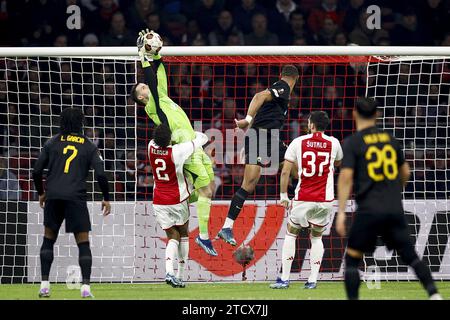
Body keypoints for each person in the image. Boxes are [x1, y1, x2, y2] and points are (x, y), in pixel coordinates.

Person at [335, 97, 442, 300]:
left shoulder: (353, 143)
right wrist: (394, 191)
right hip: (394, 208)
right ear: (377, 115)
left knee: (352, 260)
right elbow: (405, 173)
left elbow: (346, 178)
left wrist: (341, 212)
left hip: (368, 210)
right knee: (410, 256)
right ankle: (434, 294)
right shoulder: (392, 140)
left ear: (354, 114)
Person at [130, 29, 217, 256]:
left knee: (210, 188)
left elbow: (159, 72)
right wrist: (143, 56)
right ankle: (204, 237)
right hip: (185, 149)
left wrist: (156, 56)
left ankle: (186, 199)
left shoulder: (162, 96)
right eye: (142, 87)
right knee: (206, 190)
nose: (145, 85)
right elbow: (150, 76)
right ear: (141, 97)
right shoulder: (153, 105)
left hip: (194, 146)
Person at [32, 107, 111, 298]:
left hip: (53, 196)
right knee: (83, 243)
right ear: (80, 123)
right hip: (76, 197)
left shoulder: (52, 142)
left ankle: (44, 286)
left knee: (48, 239)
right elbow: (100, 173)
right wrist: (106, 197)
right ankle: (85, 289)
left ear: (62, 123)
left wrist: (41, 193)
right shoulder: (89, 145)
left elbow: (36, 170)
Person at [217, 65, 299, 246]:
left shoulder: (283, 93)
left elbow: (263, 105)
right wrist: (247, 119)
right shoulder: (284, 86)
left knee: (294, 167)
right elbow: (259, 96)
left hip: (268, 137)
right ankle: (226, 227)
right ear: (296, 78)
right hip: (261, 137)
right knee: (250, 183)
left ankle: (296, 203)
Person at [270, 111, 343, 289]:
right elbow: (339, 163)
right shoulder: (334, 143)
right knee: (317, 238)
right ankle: (312, 281)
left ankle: (285, 279)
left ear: (311, 125)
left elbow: (286, 171)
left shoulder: (298, 142)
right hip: (325, 199)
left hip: (304, 197)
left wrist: (283, 195)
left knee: (291, 233)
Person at [149, 124, 208, 288]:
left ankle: (169, 272)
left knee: (171, 237)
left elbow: (159, 139)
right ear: (169, 138)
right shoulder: (177, 151)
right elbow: (203, 138)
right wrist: (186, 132)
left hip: (159, 201)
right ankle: (181, 275)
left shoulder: (150, 147)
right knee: (183, 234)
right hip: (177, 199)